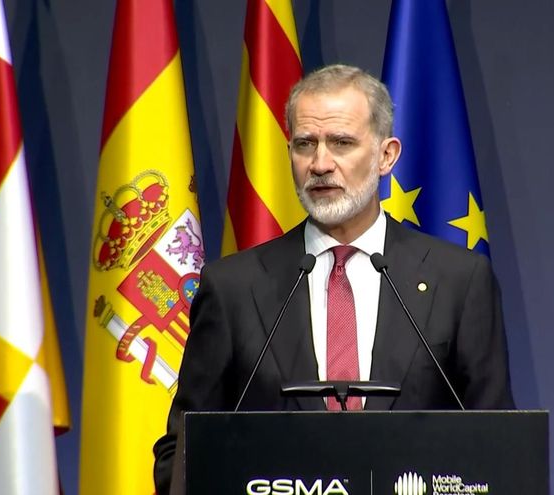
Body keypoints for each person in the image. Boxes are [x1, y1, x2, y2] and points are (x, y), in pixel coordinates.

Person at [153, 64, 514, 493]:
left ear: (386, 155)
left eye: (342, 143)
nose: (320, 164)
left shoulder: (460, 281)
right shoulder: (233, 288)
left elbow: (499, 447)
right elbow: (182, 450)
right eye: (305, 144)